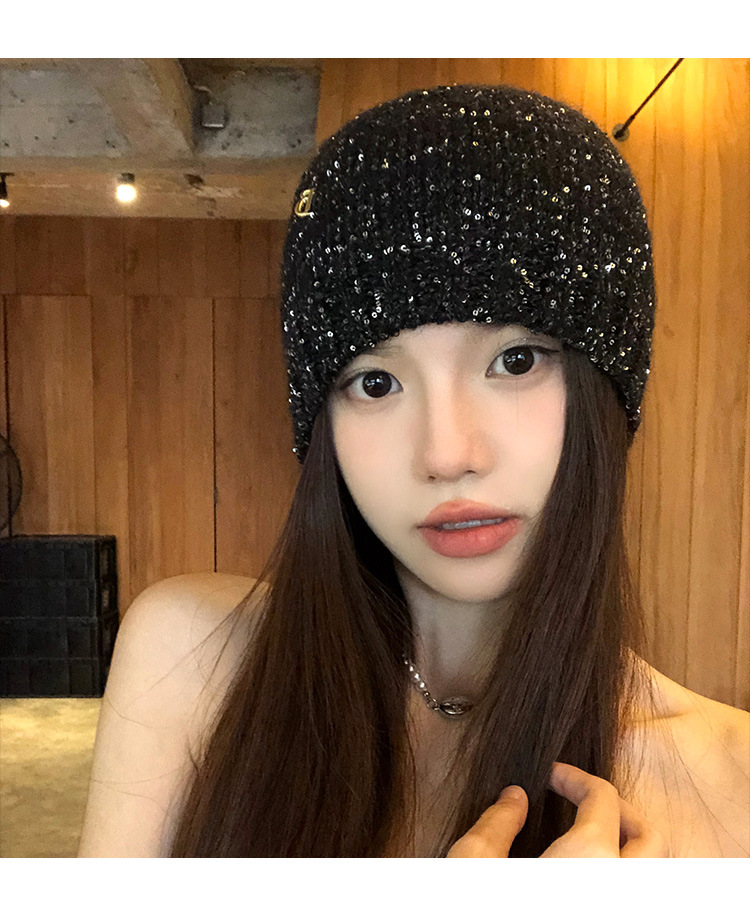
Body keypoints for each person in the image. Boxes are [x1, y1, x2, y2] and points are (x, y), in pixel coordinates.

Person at [78, 83, 749, 858]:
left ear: (606, 387)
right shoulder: (191, 662)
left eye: (516, 360)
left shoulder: (729, 783)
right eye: (376, 383)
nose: (446, 455)